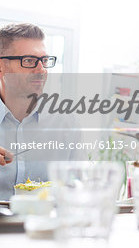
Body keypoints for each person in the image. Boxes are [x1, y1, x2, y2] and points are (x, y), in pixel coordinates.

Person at [0, 23, 84, 200]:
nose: (41, 70)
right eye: (29, 61)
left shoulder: (66, 122)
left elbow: (80, 187)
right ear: (2, 67)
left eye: (44, 61)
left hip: (46, 225)